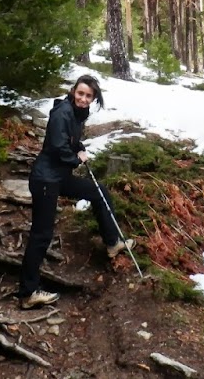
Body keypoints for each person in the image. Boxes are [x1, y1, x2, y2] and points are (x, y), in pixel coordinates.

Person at [18, 74, 134, 309]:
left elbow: (69, 140)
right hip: (45, 180)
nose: (83, 98)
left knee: (98, 191)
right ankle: (27, 293)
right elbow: (58, 147)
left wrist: (78, 146)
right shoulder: (62, 113)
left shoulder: (76, 113)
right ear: (73, 91)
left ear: (93, 98)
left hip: (59, 178)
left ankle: (112, 242)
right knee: (41, 234)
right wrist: (76, 158)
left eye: (88, 96)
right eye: (80, 93)